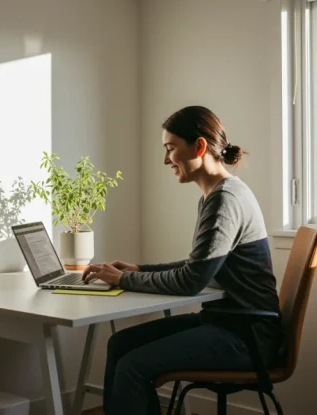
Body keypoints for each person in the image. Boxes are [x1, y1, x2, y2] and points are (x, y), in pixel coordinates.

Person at [81, 106, 284, 415]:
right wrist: (139, 269)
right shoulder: (218, 194)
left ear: (199, 146)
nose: (166, 160)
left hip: (246, 336)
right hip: (229, 323)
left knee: (133, 367)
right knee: (120, 344)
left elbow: (191, 282)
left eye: (170, 148)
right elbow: (199, 266)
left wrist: (123, 279)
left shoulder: (225, 200)